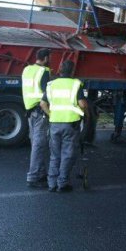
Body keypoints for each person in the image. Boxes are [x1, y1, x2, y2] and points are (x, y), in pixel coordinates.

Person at [40, 60, 88, 193]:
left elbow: (43, 104)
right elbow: (83, 105)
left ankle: (51, 184)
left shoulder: (51, 85)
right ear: (72, 71)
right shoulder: (75, 84)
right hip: (70, 125)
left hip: (54, 123)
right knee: (67, 154)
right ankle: (62, 183)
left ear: (60, 70)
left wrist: (51, 114)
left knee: (55, 154)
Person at [22, 48, 51, 188]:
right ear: (45, 58)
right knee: (39, 145)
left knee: (35, 143)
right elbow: (47, 93)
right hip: (40, 111)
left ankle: (40, 173)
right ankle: (33, 177)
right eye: (49, 58)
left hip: (29, 110)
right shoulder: (44, 71)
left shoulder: (27, 69)